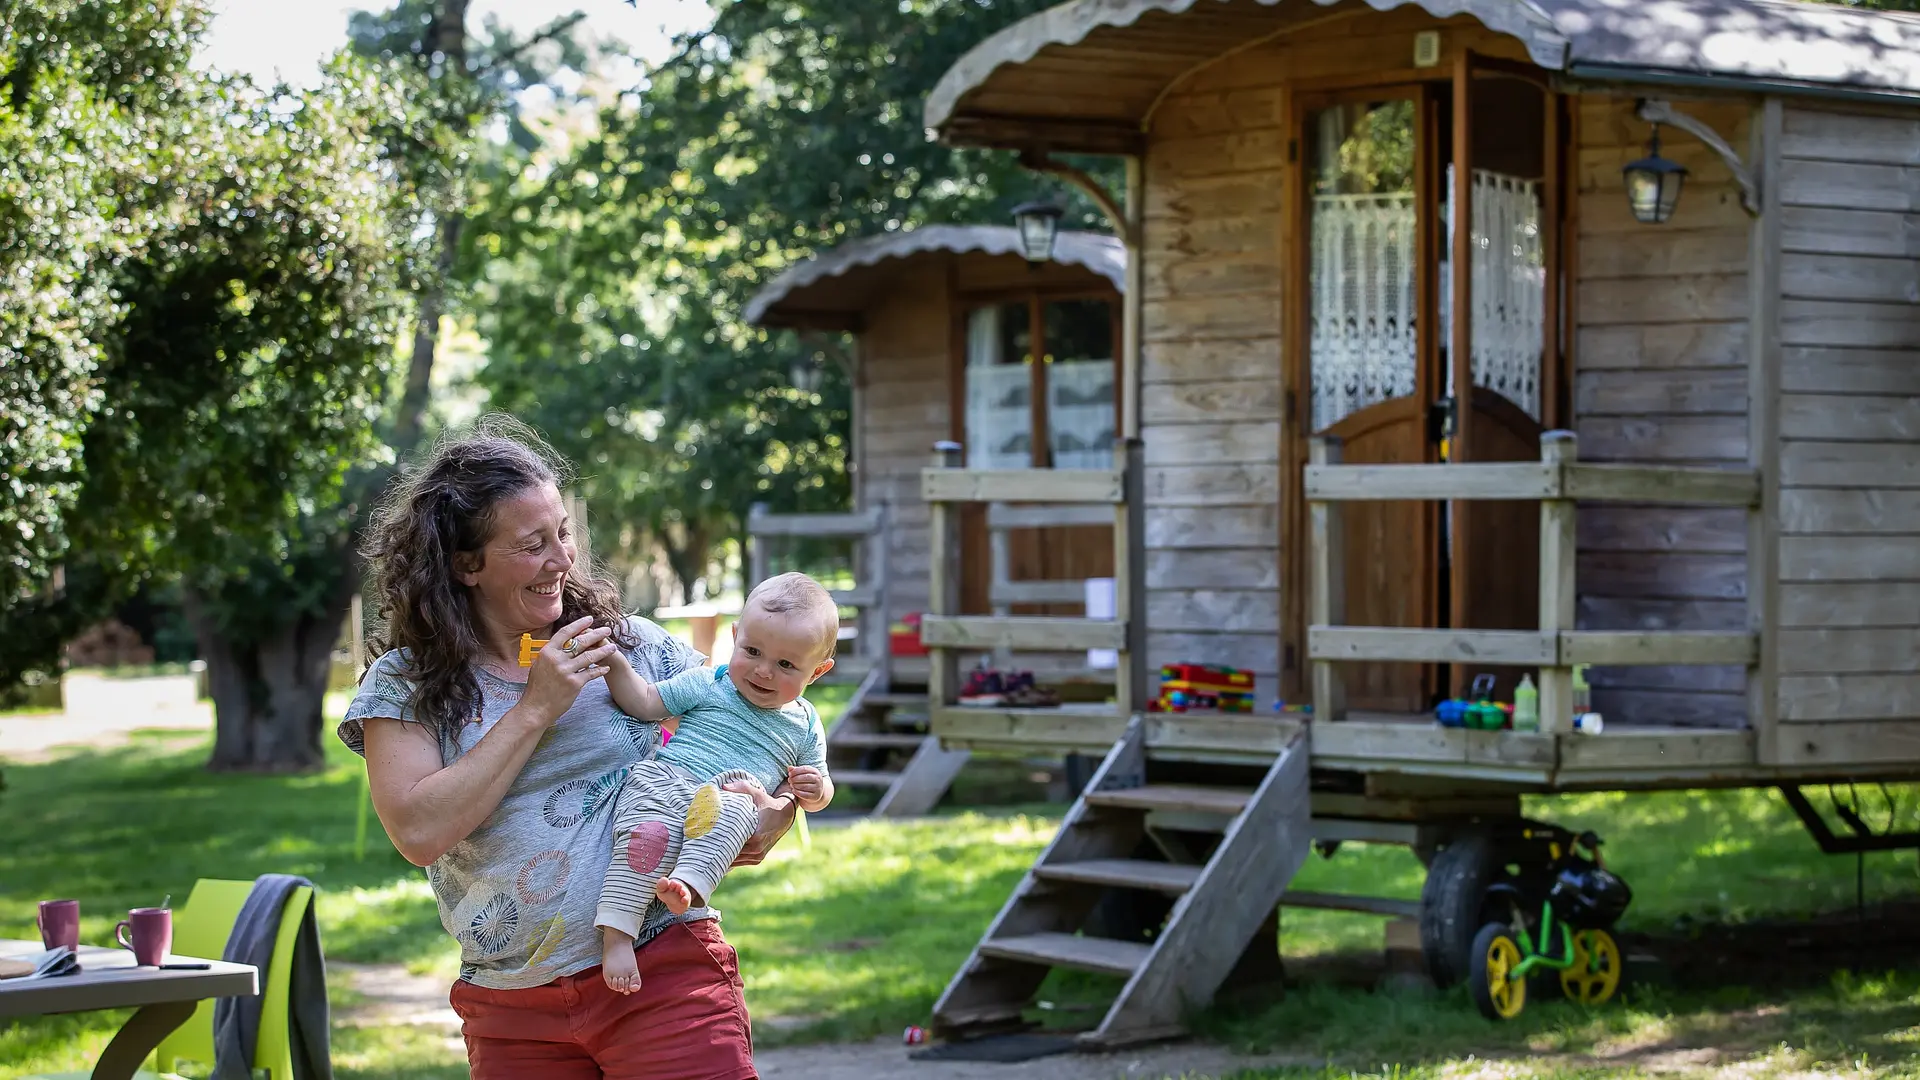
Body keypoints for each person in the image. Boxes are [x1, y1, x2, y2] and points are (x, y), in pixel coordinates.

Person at [341, 414, 795, 1080]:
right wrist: (535, 709)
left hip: (662, 969)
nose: (561, 559)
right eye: (533, 545)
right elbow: (417, 832)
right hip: (511, 1006)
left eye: (563, 533)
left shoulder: (625, 645)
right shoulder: (404, 684)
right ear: (467, 564)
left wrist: (771, 810)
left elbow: (756, 705)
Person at [592, 570, 839, 994]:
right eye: (753, 651)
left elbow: (819, 790)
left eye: (785, 665)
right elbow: (646, 702)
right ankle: (617, 937)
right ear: (735, 635)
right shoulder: (711, 683)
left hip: (727, 796)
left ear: (817, 672)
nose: (763, 671)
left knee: (742, 807)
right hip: (666, 783)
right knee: (642, 845)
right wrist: (615, 663)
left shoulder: (804, 724)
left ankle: (688, 884)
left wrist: (816, 790)